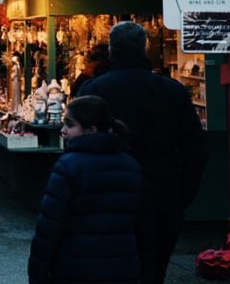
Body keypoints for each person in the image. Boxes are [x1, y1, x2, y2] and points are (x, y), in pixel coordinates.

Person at [80, 21, 209, 284]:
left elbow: (78, 149)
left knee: (111, 269)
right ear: (145, 48)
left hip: (108, 195)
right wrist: (183, 194)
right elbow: (195, 148)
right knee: (155, 268)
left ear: (113, 51)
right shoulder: (172, 91)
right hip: (162, 193)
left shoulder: (93, 91)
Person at [28, 95, 142, 284]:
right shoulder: (130, 165)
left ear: (91, 130)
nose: (63, 131)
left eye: (70, 124)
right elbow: (142, 226)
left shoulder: (68, 167)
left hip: (74, 268)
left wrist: (38, 275)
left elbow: (49, 229)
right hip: (121, 268)